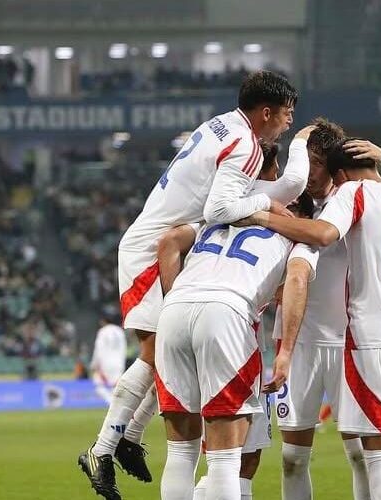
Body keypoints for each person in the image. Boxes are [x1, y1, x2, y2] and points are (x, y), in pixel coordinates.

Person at [78, 70, 300, 500]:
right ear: (266, 112)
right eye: (286, 113)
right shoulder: (247, 145)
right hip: (154, 249)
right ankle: (103, 448)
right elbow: (219, 209)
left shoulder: (219, 124)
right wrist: (268, 203)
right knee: (154, 355)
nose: (288, 122)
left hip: (156, 240)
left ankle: (126, 439)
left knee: (166, 358)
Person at [243, 138, 381, 500]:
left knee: (377, 458)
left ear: (339, 174)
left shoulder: (352, 196)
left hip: (361, 341)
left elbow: (322, 234)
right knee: (305, 457)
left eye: (320, 165)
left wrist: (259, 216)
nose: (311, 173)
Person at [155, 144, 314, 500]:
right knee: (226, 460)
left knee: (180, 453)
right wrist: (286, 350)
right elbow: (295, 282)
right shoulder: (294, 235)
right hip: (227, 312)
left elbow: (168, 242)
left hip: (176, 307)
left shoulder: (218, 218)